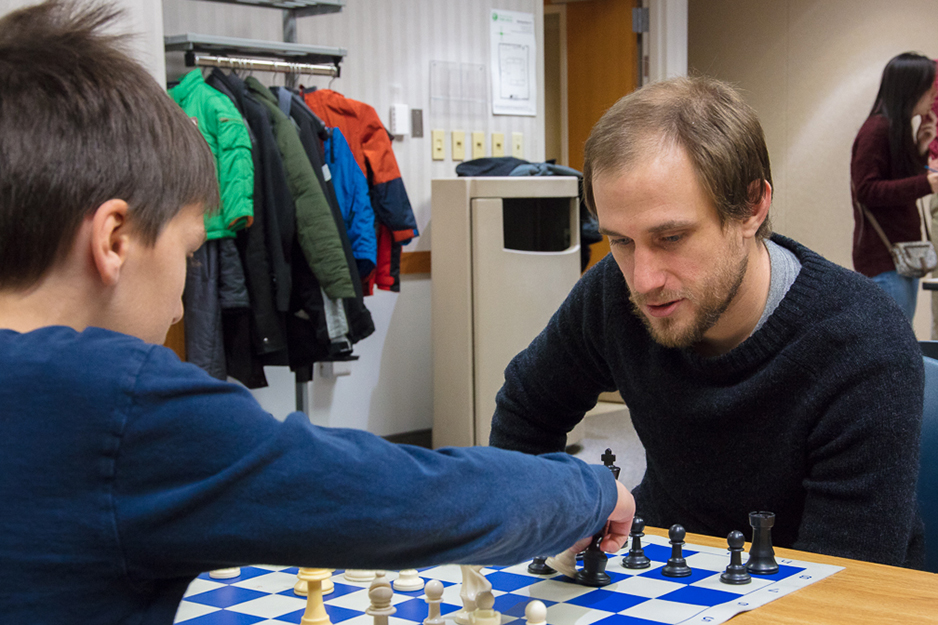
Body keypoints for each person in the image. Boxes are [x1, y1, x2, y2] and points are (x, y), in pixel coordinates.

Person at [0, 2, 634, 622]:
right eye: (192, 254)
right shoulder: (117, 407)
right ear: (114, 240)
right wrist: (591, 489)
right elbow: (404, 500)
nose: (177, 306)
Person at [490, 76, 926, 569]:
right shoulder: (612, 291)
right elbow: (527, 409)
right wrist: (552, 517)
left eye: (671, 237)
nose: (643, 280)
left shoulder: (863, 343)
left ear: (752, 208)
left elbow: (845, 584)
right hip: (661, 565)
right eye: (621, 241)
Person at [850, 52, 938, 320]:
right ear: (912, 89)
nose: (933, 95)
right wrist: (925, 183)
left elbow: (894, 183)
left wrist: (921, 148)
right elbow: (867, 190)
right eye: (930, 88)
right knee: (894, 349)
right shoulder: (877, 130)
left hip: (898, 260)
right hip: (886, 260)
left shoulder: (891, 127)